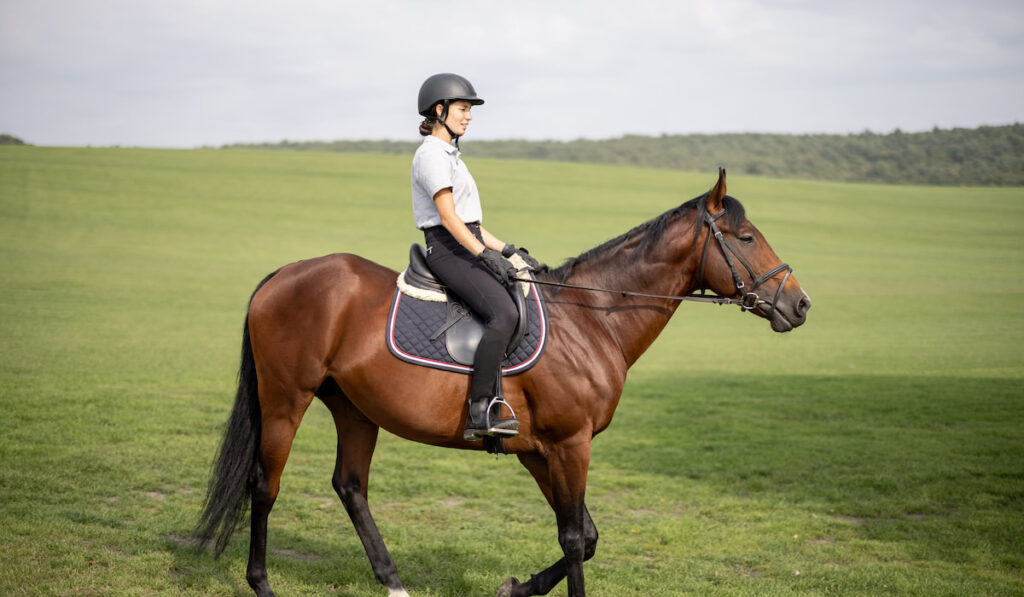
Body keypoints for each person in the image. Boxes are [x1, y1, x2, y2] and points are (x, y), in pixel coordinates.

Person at [410, 73, 544, 441]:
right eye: (463, 108)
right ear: (440, 110)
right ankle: (480, 408)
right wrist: (485, 256)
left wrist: (508, 251)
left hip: (465, 242)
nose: (469, 116)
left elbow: (472, 223)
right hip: (449, 250)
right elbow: (450, 219)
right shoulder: (431, 155)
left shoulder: (451, 154)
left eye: (470, 110)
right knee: (504, 314)